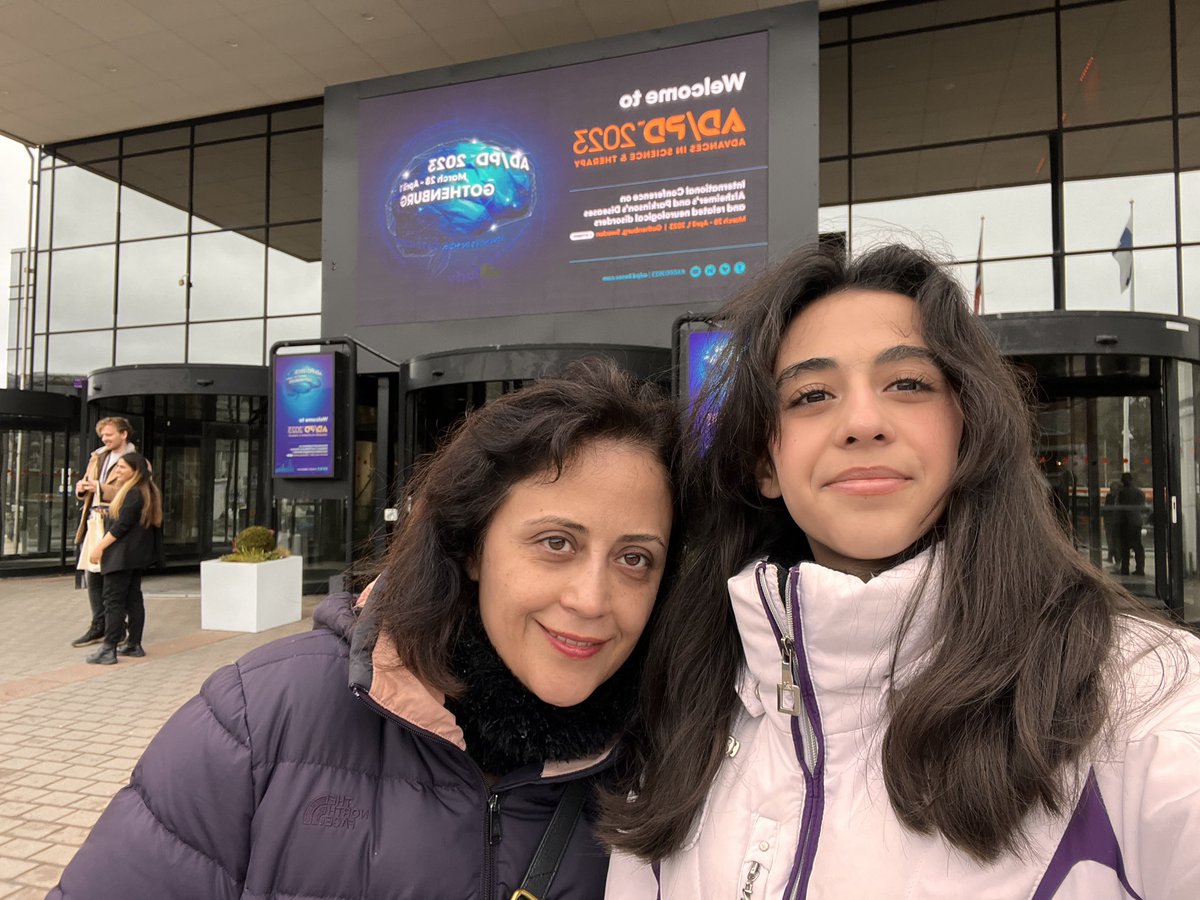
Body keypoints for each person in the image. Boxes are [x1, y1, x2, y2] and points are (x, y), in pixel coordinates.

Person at [601, 244, 1200, 898]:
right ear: (764, 463)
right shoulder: (692, 706)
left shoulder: (1144, 702)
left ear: (967, 428)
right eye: (811, 394)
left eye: (908, 384)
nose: (861, 422)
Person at [50, 358, 679, 899]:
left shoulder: (678, 760)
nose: (594, 599)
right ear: (472, 547)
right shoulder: (256, 721)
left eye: (634, 558)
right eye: (556, 542)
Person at [85, 451, 163, 664]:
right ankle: (134, 644)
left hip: (122, 556)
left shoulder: (133, 493)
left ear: (135, 472)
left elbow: (121, 527)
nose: (117, 471)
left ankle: (109, 649)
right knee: (133, 599)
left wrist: (99, 548)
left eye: (121, 468)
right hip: (136, 555)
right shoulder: (147, 491)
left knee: (113, 601)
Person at [71, 416, 136, 648]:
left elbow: (129, 491)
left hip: (115, 524)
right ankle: (100, 625)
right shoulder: (97, 457)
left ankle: (115, 629)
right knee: (92, 575)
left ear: (123, 434)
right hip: (94, 522)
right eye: (103, 436)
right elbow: (88, 484)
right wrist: (81, 489)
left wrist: (98, 487)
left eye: (109, 434)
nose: (105, 439)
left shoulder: (135, 460)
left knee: (114, 580)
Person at [1114, 470, 1148, 577]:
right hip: (1136, 522)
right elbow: (1143, 507)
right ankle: (1140, 568)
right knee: (1138, 546)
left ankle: (1125, 569)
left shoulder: (1120, 492)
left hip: (1124, 522)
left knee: (1125, 546)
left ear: (1122, 481)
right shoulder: (1139, 492)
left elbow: (1117, 507)